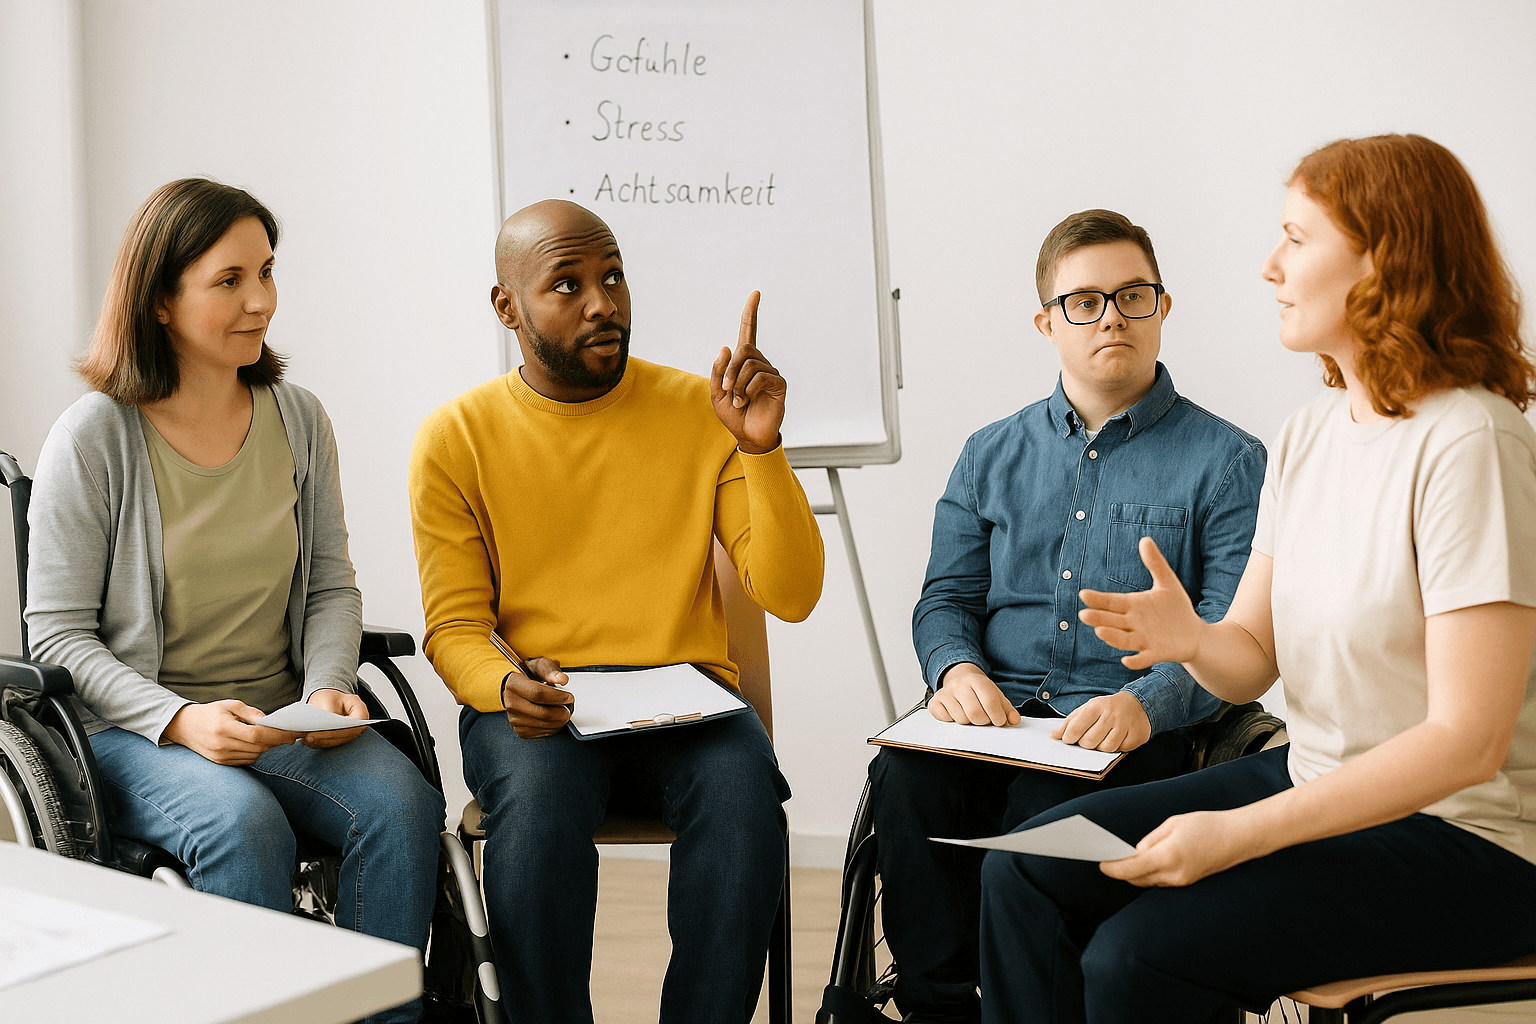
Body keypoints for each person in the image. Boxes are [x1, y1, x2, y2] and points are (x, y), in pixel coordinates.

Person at [977, 134, 1536, 1024]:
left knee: (1136, 959)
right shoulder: (1309, 435)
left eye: (1296, 238)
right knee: (1029, 866)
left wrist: (1238, 835)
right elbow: (1249, 663)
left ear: (1382, 260)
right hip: (1315, 781)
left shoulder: (1472, 439)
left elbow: (1466, 742)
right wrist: (1191, 639)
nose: (1270, 266)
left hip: (1466, 836)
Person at [26, 179, 445, 1024]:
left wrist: (329, 685)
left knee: (404, 806)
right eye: (229, 281)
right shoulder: (95, 436)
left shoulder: (298, 419)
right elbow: (59, 640)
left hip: (281, 716)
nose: (261, 301)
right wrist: (182, 722)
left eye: (267, 272)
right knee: (244, 826)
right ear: (158, 303)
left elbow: (330, 582)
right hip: (141, 731)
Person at [408, 199, 825, 1023]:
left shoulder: (701, 412)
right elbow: (455, 626)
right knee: (539, 804)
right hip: (541, 704)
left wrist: (761, 450)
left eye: (613, 276)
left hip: (688, 699)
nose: (603, 302)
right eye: (567, 285)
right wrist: (502, 686)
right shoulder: (456, 437)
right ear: (507, 308)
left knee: (745, 795)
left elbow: (792, 592)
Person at [869, 209, 1266, 1022]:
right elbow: (945, 598)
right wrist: (957, 669)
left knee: (1036, 823)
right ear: (1048, 322)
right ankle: (938, 1008)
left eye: (1132, 295)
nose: (1111, 316)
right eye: (1085, 301)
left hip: (1133, 732)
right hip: (996, 714)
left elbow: (1234, 632)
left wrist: (1144, 704)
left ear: (1163, 306)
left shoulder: (1229, 462)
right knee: (903, 783)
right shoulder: (989, 452)